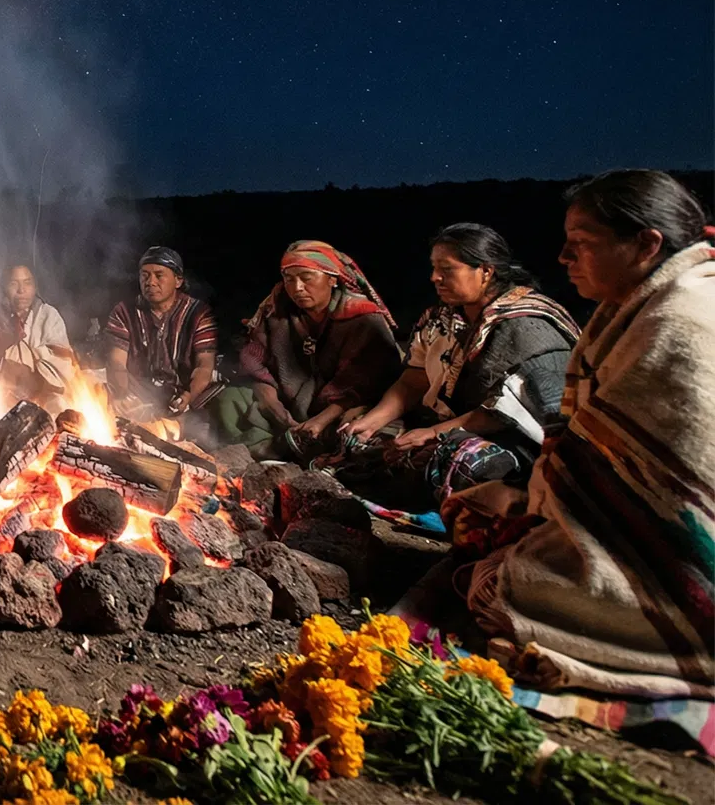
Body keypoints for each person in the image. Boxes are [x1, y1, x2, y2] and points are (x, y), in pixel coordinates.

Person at [455, 169, 714, 697]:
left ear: (646, 244)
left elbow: (653, 476)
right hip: (620, 516)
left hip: (689, 565)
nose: (563, 258)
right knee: (485, 531)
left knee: (495, 591)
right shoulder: (636, 308)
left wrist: (532, 503)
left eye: (581, 244)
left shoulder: (680, 322)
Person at [333, 224, 580, 504]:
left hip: (518, 440)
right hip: (448, 422)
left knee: (464, 459)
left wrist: (433, 434)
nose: (434, 277)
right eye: (434, 268)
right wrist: (371, 422)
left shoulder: (528, 326)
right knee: (361, 429)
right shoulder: (442, 318)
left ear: (486, 271)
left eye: (447, 269)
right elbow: (415, 379)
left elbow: (508, 414)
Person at [208, 240, 402, 461]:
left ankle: (316, 457)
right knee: (231, 398)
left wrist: (321, 420)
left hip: (339, 408)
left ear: (331, 279)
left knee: (359, 425)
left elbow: (364, 384)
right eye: (289, 280)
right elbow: (257, 369)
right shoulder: (276, 313)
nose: (297, 288)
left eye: (306, 278)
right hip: (287, 405)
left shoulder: (363, 319)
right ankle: (264, 451)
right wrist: (277, 411)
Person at [104, 246, 219, 420]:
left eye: (159, 275)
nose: (150, 282)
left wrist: (188, 396)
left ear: (178, 280)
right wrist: (123, 395)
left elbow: (204, 365)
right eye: (145, 275)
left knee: (202, 424)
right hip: (139, 391)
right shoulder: (124, 312)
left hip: (183, 392)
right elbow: (116, 361)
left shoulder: (198, 314)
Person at [0, 264, 74, 412]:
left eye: (27, 283)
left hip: (42, 394)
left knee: (61, 406)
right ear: (4, 288)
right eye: (14, 284)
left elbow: (62, 368)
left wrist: (30, 367)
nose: (22, 290)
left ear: (35, 287)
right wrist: (1, 384)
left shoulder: (48, 316)